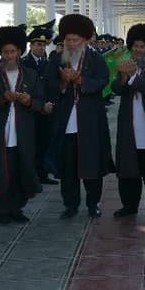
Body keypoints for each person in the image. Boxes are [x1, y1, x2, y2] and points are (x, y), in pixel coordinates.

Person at [0, 26, 44, 224]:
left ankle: (17, 209)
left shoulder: (30, 75)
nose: (10, 55)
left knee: (20, 170)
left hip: (23, 133)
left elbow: (40, 103)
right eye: (6, 52)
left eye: (13, 51)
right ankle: (1, 211)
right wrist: (2, 98)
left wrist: (29, 101)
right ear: (0, 53)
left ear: (20, 52)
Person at [46, 14, 110, 219]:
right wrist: (64, 84)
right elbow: (49, 86)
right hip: (65, 121)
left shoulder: (95, 59)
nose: (71, 44)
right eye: (68, 40)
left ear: (84, 40)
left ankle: (93, 203)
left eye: (75, 40)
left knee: (92, 164)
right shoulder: (56, 59)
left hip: (89, 120)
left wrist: (80, 80)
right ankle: (70, 204)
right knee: (68, 166)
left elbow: (102, 82)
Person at [111, 24, 145, 220]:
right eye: (135, 46)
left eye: (142, 47)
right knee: (128, 170)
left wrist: (132, 77)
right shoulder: (125, 67)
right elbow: (116, 88)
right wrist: (124, 75)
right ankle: (129, 205)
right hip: (129, 128)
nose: (138, 50)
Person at [21, 20, 58, 185]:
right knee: (30, 145)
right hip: (28, 110)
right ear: (31, 45)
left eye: (43, 45)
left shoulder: (49, 64)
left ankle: (42, 174)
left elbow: (52, 86)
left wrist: (50, 104)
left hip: (46, 110)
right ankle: (30, 175)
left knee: (44, 142)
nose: (41, 48)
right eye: (37, 44)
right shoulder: (23, 64)